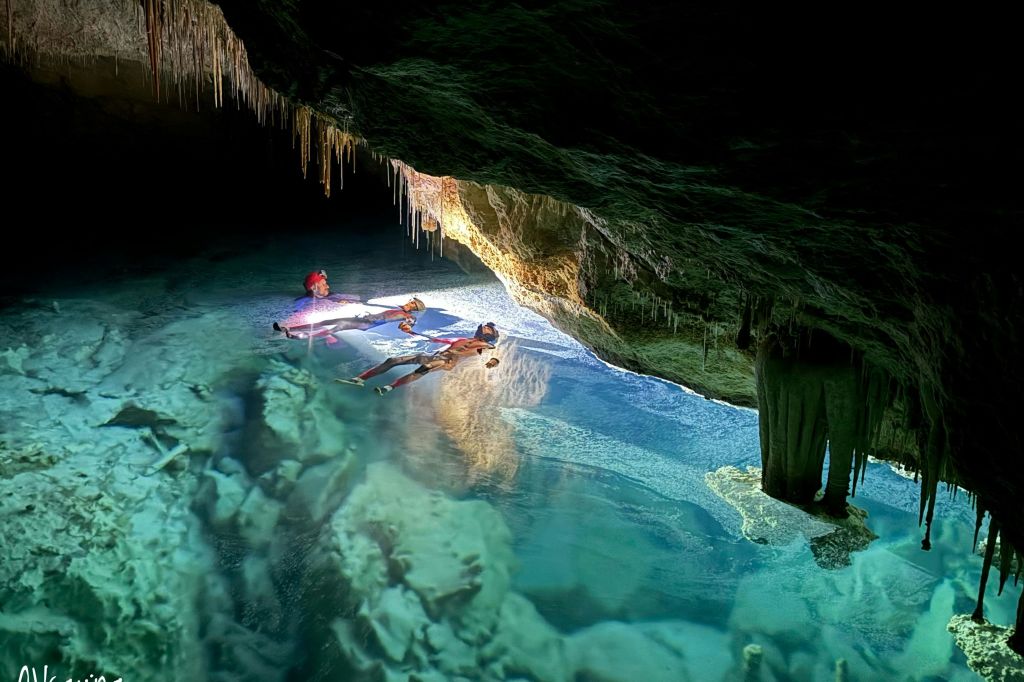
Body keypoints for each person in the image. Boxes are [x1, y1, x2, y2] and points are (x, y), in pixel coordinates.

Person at [337, 322, 501, 396]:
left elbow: (486, 351)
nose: (485, 327)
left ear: (490, 335)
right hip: (438, 356)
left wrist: (492, 361)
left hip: (447, 362)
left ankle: (389, 388)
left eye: (489, 329)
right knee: (393, 360)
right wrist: (411, 332)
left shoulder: (484, 345)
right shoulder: (462, 339)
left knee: (423, 368)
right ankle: (360, 379)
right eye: (485, 326)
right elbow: (436, 340)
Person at [275, 297, 426, 340]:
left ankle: (297, 337)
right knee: (327, 322)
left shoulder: (408, 316)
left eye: (412, 303)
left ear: (414, 308)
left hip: (366, 325)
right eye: (410, 301)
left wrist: (408, 328)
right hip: (364, 320)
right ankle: (288, 329)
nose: (408, 303)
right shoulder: (397, 309)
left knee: (334, 327)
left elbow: (410, 323)